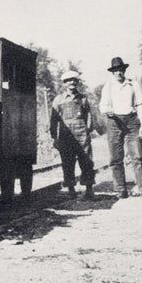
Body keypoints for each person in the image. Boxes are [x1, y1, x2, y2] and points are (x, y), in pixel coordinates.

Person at [99, 57, 142, 198]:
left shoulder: (133, 84)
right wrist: (107, 110)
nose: (118, 73)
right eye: (115, 70)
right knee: (115, 158)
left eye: (120, 70)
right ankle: (120, 189)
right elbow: (103, 105)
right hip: (114, 122)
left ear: (124, 70)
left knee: (138, 156)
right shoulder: (108, 86)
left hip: (132, 122)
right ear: (112, 72)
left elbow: (141, 104)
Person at [50, 71, 96, 199]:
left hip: (82, 133)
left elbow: (89, 116)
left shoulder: (83, 99)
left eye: (74, 80)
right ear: (64, 83)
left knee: (86, 161)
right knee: (67, 162)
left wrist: (87, 130)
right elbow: (54, 119)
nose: (72, 83)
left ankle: (89, 189)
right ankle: (71, 189)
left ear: (78, 82)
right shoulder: (58, 100)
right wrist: (54, 137)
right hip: (66, 135)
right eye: (69, 80)